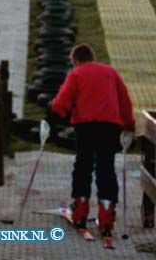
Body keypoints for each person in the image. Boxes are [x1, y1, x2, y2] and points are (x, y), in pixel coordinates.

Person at [48, 44, 135, 241]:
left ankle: (80, 213)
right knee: (106, 169)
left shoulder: (76, 74)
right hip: (110, 127)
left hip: (86, 127)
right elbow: (125, 101)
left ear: (76, 61)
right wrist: (129, 125)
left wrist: (53, 118)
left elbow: (62, 101)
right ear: (93, 57)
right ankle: (106, 218)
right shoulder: (111, 72)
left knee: (83, 167)